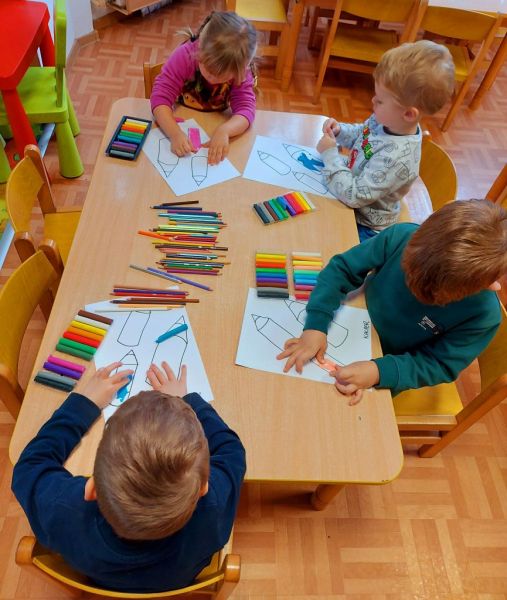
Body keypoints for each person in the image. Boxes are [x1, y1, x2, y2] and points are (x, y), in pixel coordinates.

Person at [12, 361, 246, 593]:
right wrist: (187, 400)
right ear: (203, 488)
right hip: (176, 578)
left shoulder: (64, 512)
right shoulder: (213, 507)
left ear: (92, 489)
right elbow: (231, 449)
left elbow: (29, 466)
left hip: (100, 578)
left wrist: (83, 404)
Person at [277, 199, 507, 404]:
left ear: (491, 283)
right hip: (354, 315)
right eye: (408, 271)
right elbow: (342, 269)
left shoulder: (483, 316)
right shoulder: (402, 236)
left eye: (435, 298)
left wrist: (379, 371)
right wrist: (316, 324)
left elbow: (439, 364)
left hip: (387, 365)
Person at [316, 40, 455, 242]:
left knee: (320, 240)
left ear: (408, 114)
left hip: (364, 224)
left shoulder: (396, 158)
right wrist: (340, 131)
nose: (373, 101)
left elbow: (354, 196)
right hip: (348, 192)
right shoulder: (386, 121)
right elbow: (362, 134)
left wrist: (330, 155)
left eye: (380, 100)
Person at [151, 10, 257, 165]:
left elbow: (246, 110)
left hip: (216, 121)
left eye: (222, 77)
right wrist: (174, 133)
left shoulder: (241, 71)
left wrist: (225, 130)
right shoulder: (185, 56)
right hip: (180, 118)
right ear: (200, 48)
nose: (213, 80)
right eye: (209, 71)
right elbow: (160, 98)